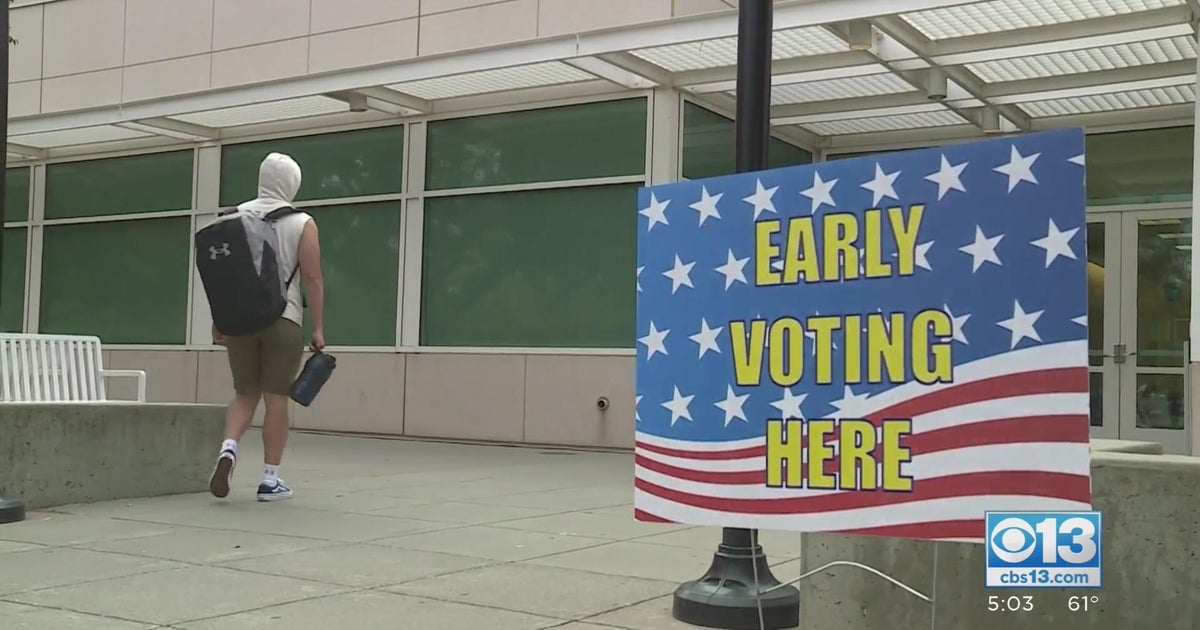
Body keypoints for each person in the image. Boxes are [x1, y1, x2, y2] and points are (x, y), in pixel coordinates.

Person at [205, 152, 325, 502]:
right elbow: (312, 277)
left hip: (239, 320)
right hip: (283, 319)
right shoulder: (302, 222)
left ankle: (228, 448)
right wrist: (318, 327)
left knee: (245, 394)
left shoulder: (233, 218)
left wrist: (219, 320)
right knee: (276, 398)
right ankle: (270, 480)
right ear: (291, 183)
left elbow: (222, 277)